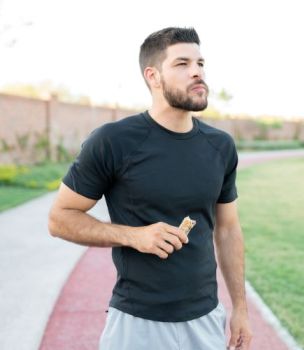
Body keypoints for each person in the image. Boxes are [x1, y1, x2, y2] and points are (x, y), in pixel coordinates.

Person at [48, 27, 253, 350]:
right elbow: (60, 218)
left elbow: (228, 230)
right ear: (153, 76)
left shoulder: (220, 146)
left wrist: (240, 308)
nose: (197, 72)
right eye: (182, 64)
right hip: (137, 323)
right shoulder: (113, 141)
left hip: (205, 319)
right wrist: (134, 236)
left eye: (201, 63)